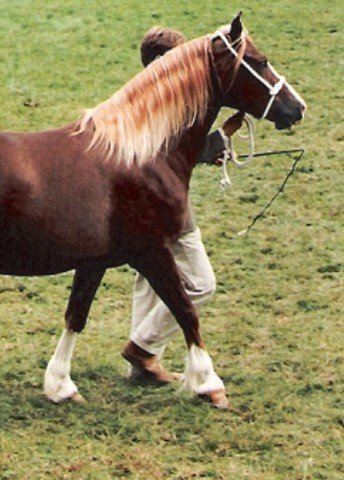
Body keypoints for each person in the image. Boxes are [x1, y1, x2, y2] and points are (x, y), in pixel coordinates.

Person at [122, 27, 244, 406]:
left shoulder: (135, 100)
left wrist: (218, 142)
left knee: (147, 277)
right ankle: (142, 348)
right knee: (201, 283)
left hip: (134, 212)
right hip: (168, 212)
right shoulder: (168, 104)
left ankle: (142, 364)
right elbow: (178, 152)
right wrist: (221, 138)